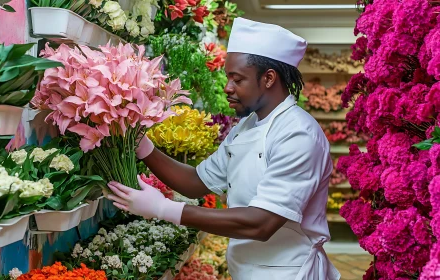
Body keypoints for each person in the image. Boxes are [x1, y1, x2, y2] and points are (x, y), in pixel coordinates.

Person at [106, 17, 341, 280]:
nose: (227, 88)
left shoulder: (297, 133)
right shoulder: (248, 126)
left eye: (237, 79)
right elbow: (196, 182)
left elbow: (262, 223)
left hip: (289, 272)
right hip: (248, 269)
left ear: (269, 78)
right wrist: (142, 146)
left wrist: (165, 210)